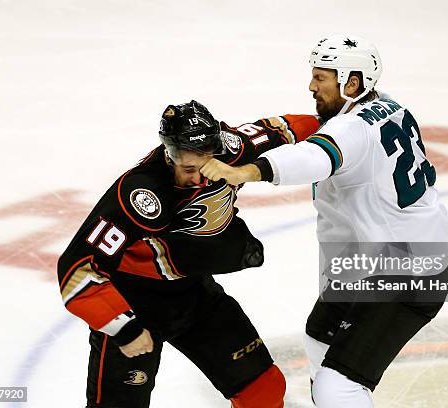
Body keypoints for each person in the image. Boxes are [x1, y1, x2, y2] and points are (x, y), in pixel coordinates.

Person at [200, 34, 448, 407]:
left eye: (321, 77)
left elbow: (314, 159)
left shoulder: (350, 128)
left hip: (407, 271)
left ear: (352, 83)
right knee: (319, 336)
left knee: (338, 387)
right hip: (381, 261)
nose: (311, 86)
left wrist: (247, 172)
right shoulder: (391, 107)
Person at [57, 100, 320, 408]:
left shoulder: (232, 150)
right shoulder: (141, 195)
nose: (198, 178)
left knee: (264, 390)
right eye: (188, 169)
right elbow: (76, 268)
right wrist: (123, 328)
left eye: (206, 165)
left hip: (194, 294)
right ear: (169, 155)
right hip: (135, 303)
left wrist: (335, 120)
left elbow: (281, 129)